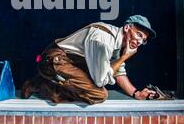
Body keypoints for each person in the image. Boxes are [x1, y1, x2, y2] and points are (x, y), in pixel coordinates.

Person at [21, 15, 158, 104]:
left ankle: (48, 83)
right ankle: (40, 85)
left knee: (94, 87)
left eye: (143, 40)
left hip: (68, 62)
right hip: (54, 59)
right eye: (139, 35)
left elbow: (118, 72)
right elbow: (101, 80)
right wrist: (124, 57)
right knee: (98, 94)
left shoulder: (116, 45)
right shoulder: (103, 40)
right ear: (127, 28)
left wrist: (137, 94)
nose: (140, 41)